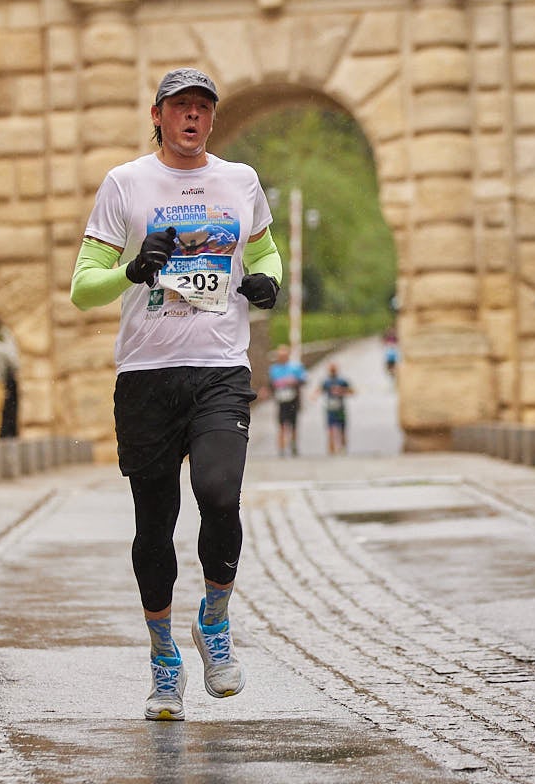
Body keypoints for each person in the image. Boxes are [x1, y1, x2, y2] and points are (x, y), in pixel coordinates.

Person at [69, 67, 283, 721]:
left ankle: (214, 619)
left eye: (203, 107)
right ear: (157, 115)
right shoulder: (125, 183)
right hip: (147, 375)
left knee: (219, 494)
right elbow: (83, 287)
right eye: (180, 106)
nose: (192, 116)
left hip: (219, 368)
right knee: (154, 525)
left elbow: (266, 254)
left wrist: (268, 282)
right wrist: (132, 270)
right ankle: (164, 659)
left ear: (212, 118)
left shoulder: (240, 181)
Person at [268, 344, 306, 457]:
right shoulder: (274, 369)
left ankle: (293, 446)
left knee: (293, 424)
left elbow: (303, 380)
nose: (282, 358)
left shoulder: (295, 367)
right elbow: (270, 384)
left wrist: (294, 381)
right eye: (280, 356)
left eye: (284, 356)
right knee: (281, 425)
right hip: (281, 400)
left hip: (293, 399)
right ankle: (281, 448)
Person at [319, 362, 354, 455]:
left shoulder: (342, 381)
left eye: (334, 370)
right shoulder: (326, 382)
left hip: (340, 408)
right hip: (330, 408)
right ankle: (331, 449)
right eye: (331, 370)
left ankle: (343, 447)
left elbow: (352, 391)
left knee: (342, 429)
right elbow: (319, 390)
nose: (332, 372)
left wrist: (341, 391)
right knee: (330, 429)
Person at [0, 326, 19, 439]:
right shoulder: (11, 346)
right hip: (9, 381)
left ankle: (6, 433)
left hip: (4, 381)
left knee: (6, 409)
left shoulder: (2, 346)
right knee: (10, 409)